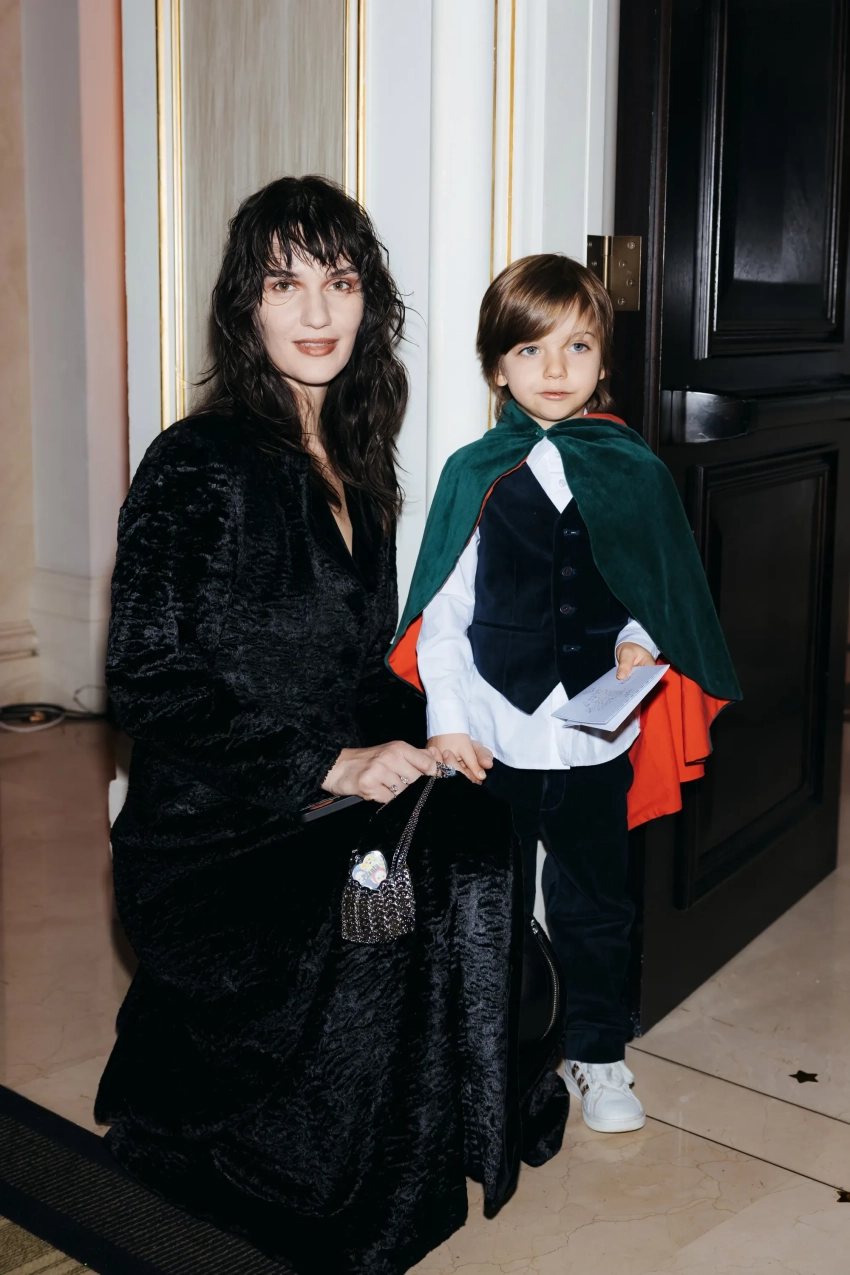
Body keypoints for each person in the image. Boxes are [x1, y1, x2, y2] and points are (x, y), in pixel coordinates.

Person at [96, 181, 567, 1275]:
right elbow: (145, 679)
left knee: (482, 819)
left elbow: (363, 669)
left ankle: (438, 1125)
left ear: (369, 302)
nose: (316, 310)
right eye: (284, 283)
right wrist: (330, 765)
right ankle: (323, 1171)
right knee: (426, 865)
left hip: (312, 794)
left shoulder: (360, 463)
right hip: (213, 834)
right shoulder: (196, 461)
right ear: (245, 306)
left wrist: (436, 730)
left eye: (340, 281)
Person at [388, 254, 741, 1136]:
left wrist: (637, 638)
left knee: (596, 903)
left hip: (594, 738)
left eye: (576, 346)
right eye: (531, 349)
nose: (554, 368)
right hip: (494, 736)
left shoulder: (632, 470)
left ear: (602, 360)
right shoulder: (475, 473)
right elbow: (443, 614)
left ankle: (597, 1051)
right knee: (491, 906)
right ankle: (491, 1053)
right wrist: (448, 722)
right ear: (496, 366)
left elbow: (656, 588)